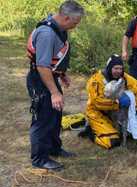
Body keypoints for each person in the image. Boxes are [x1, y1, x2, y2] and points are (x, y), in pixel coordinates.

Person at [26, 0, 84, 170]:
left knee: (55, 115)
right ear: (66, 18)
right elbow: (42, 66)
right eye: (75, 22)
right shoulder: (47, 34)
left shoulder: (58, 28)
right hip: (40, 80)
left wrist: (61, 74)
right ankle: (39, 158)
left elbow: (53, 59)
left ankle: (53, 148)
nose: (76, 26)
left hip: (50, 77)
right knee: (43, 118)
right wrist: (54, 92)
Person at [84, 54, 137, 149]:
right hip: (96, 112)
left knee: (128, 133)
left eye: (120, 68)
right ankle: (91, 131)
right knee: (113, 141)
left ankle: (115, 126)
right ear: (109, 67)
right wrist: (117, 104)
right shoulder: (96, 80)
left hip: (113, 112)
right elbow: (97, 102)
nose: (118, 71)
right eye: (116, 68)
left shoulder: (123, 77)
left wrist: (135, 109)